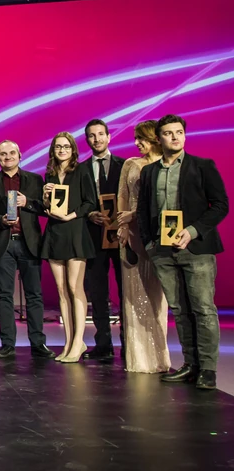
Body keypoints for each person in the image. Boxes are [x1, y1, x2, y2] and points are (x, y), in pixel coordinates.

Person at [138, 114, 229, 390]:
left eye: (179, 132)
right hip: (163, 251)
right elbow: (143, 211)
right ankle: (190, 364)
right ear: (159, 138)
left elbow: (221, 205)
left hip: (195, 248)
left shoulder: (202, 166)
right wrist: (150, 243)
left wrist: (192, 230)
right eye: (168, 133)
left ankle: (208, 369)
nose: (175, 137)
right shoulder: (149, 172)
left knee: (203, 308)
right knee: (179, 310)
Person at [0, 141, 54, 360]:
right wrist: (0, 220)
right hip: (4, 244)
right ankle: (7, 344)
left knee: (34, 295)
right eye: (3, 154)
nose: (8, 157)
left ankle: (38, 343)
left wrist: (27, 202)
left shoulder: (35, 179)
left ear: (20, 155)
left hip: (29, 243)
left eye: (12, 153)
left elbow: (45, 208)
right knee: (4, 296)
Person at [116, 121, 170, 373]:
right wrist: (123, 224)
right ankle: (138, 358)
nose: (137, 143)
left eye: (142, 138)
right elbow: (122, 197)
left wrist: (134, 215)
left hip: (157, 235)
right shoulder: (131, 164)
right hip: (132, 236)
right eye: (136, 138)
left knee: (157, 296)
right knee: (133, 294)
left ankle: (159, 357)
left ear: (155, 138)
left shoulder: (166, 165)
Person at [41, 132, 97, 363]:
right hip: (55, 232)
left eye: (66, 146)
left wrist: (71, 216)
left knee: (75, 287)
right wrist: (45, 197)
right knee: (61, 289)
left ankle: (78, 342)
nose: (62, 150)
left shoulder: (82, 171)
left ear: (73, 149)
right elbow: (48, 206)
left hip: (75, 231)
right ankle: (68, 342)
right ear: (53, 150)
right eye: (58, 147)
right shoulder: (50, 174)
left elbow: (90, 202)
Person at [80, 120, 126, 363]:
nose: (96, 139)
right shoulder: (81, 169)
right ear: (87, 139)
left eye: (100, 134)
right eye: (91, 135)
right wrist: (89, 214)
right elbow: (78, 201)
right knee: (98, 292)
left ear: (109, 136)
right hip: (94, 236)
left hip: (122, 236)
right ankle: (103, 344)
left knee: (126, 291)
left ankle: (128, 343)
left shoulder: (125, 165)